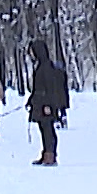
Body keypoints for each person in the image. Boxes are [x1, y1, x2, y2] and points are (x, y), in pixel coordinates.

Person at [26, 39, 69, 167]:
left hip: (46, 105)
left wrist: (48, 105)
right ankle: (45, 153)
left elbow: (50, 88)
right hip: (39, 103)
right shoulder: (40, 66)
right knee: (43, 129)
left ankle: (51, 155)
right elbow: (37, 88)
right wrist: (31, 100)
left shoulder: (46, 67)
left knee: (48, 130)